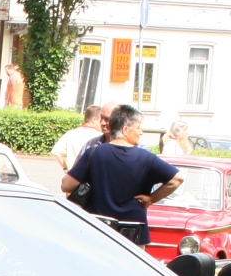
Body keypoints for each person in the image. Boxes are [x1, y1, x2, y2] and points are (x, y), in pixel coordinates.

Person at [60, 104, 183, 242]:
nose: (141, 132)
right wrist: (151, 199)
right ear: (125, 130)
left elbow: (66, 185)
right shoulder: (146, 157)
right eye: (138, 127)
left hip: (97, 228)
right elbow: (177, 179)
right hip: (132, 233)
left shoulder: (94, 153)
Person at [50, 105, 104, 169]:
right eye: (101, 120)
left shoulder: (70, 134)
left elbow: (55, 152)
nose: (103, 123)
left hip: (72, 175)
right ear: (94, 119)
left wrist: (65, 168)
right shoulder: (99, 136)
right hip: (90, 176)